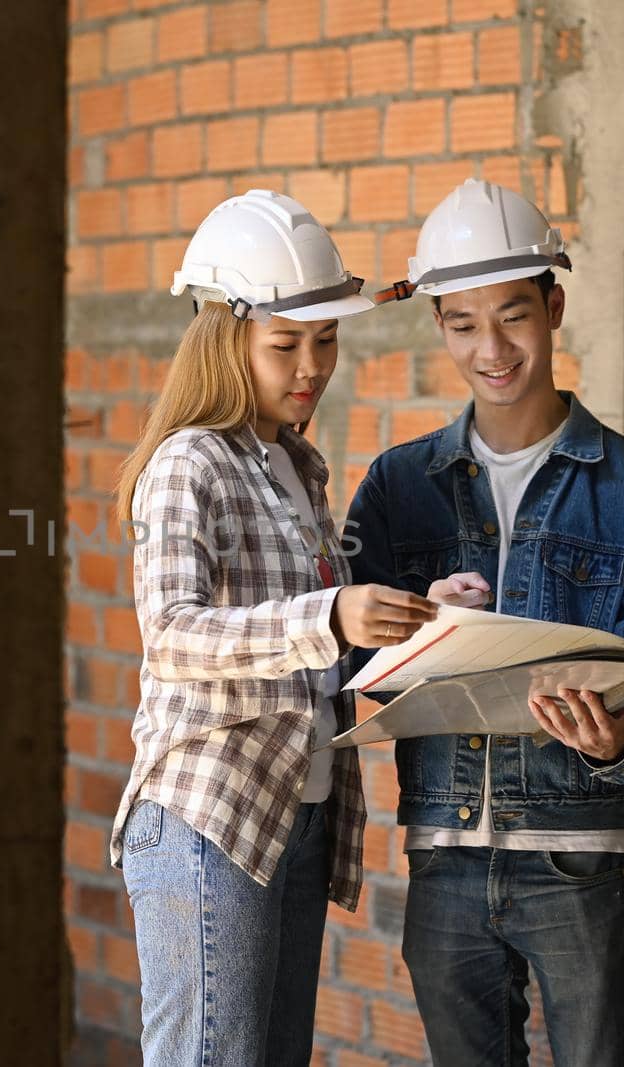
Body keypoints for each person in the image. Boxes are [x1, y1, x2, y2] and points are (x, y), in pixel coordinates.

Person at [345, 178, 624, 1067]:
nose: (491, 348)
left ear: (553, 306)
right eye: (463, 324)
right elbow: (347, 648)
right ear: (440, 327)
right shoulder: (398, 487)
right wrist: (408, 632)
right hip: (444, 854)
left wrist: (614, 738)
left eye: (513, 317)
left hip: (582, 857)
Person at [109, 189, 438, 1065]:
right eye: (286, 344)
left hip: (296, 813)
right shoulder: (189, 462)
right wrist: (329, 614)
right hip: (208, 820)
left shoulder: (297, 465)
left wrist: (425, 612)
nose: (312, 365)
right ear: (226, 336)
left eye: (326, 339)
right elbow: (174, 634)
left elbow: (318, 650)